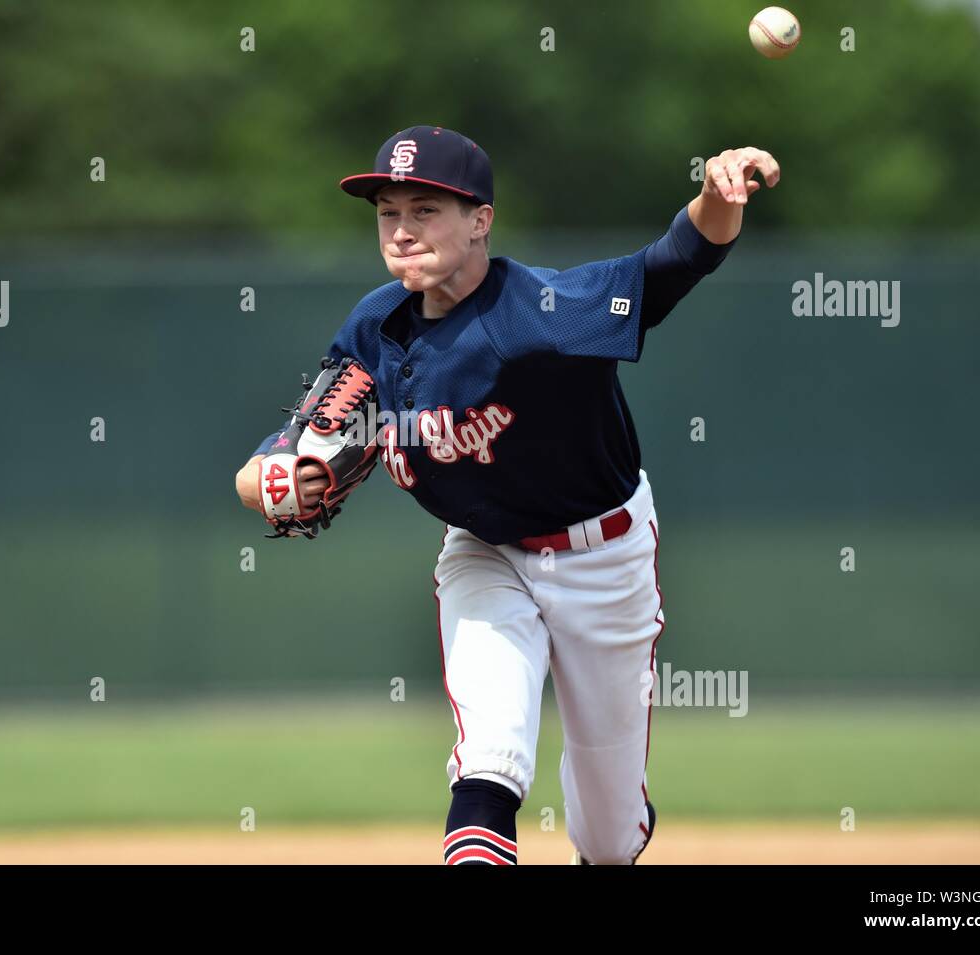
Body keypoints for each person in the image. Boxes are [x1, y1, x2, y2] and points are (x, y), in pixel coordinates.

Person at [235, 125, 779, 864]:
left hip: (605, 554)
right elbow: (287, 448)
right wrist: (272, 477)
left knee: (609, 835)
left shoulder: (541, 313)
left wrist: (719, 196)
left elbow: (674, 262)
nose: (401, 229)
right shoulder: (377, 323)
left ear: (479, 220)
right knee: (489, 756)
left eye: (425, 209)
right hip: (483, 551)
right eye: (387, 211)